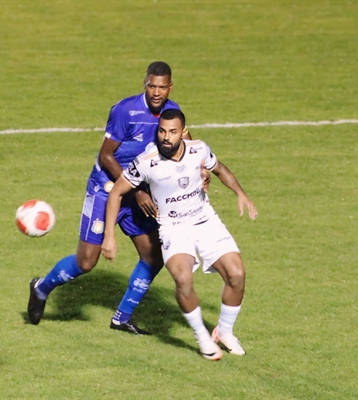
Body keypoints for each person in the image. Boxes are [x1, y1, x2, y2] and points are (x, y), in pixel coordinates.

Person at [27, 61, 192, 333]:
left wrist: (200, 168)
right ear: (145, 84)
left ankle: (122, 317)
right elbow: (106, 155)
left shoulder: (171, 115)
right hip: (106, 188)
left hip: (138, 193)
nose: (156, 92)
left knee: (153, 256)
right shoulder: (125, 110)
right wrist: (136, 189)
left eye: (162, 87)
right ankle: (41, 288)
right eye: (152, 86)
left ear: (170, 87)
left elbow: (182, 145)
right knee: (86, 262)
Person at [101, 109, 258, 361]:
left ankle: (224, 332)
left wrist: (241, 194)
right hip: (173, 227)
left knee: (237, 274)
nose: (166, 137)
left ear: (182, 132)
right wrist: (109, 234)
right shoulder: (146, 161)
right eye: (162, 131)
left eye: (172, 132)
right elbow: (116, 193)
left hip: (204, 220)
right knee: (183, 279)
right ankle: (202, 337)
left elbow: (220, 168)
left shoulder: (198, 149)